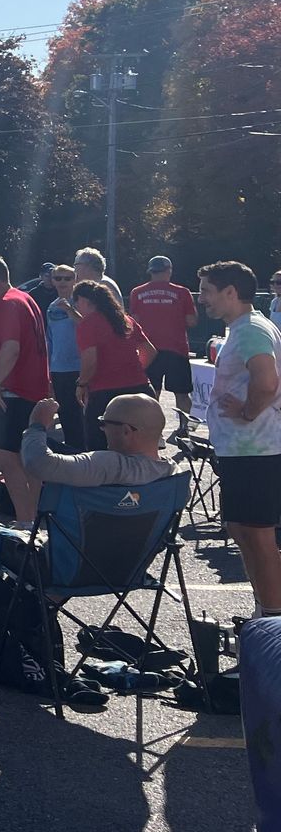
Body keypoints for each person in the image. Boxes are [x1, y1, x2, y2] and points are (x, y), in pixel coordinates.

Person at [0, 393, 173, 664]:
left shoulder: (109, 464)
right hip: (128, 572)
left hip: (64, 571)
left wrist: (37, 425)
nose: (101, 428)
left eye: (104, 422)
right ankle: (21, 630)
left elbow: (39, 463)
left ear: (127, 431)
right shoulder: (172, 478)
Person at [198, 261, 281, 616]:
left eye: (206, 291)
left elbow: (266, 381)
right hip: (243, 450)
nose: (201, 299)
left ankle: (272, 616)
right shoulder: (242, 328)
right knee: (241, 528)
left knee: (257, 533)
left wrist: (247, 412)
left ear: (231, 292)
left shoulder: (250, 330)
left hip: (257, 449)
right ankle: (265, 607)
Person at [0, 255, 50, 525]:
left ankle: (26, 521)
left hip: (12, 392)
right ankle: (31, 518)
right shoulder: (23, 298)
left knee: (4, 456)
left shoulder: (8, 303)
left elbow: (11, 348)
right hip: (27, 391)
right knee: (25, 459)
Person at [72, 280, 155, 422]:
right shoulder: (125, 319)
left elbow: (90, 361)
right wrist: (132, 369)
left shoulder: (88, 324)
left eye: (76, 302)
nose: (76, 307)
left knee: (100, 442)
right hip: (140, 388)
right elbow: (149, 350)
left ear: (84, 300)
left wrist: (82, 384)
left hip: (106, 394)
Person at [130, 256, 198, 415]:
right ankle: (184, 427)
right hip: (177, 348)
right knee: (182, 393)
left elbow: (135, 321)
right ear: (169, 271)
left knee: (151, 393)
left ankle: (152, 428)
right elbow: (192, 321)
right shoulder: (182, 292)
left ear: (151, 272)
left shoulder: (137, 292)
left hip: (149, 349)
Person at [42, 265, 89, 453]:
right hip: (59, 369)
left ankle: (87, 454)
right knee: (66, 415)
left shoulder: (81, 303)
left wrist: (70, 310)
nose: (62, 282)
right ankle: (72, 453)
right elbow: (50, 340)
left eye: (67, 278)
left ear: (75, 279)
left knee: (84, 416)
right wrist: (48, 372)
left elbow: (89, 327)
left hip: (80, 367)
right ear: (52, 281)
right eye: (58, 278)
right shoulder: (52, 307)